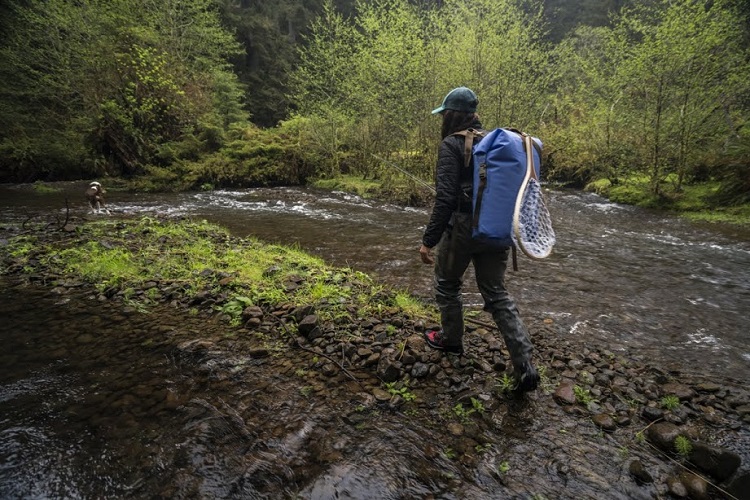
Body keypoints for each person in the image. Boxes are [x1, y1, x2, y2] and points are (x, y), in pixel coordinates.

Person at [419, 86, 539, 392]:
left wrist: (428, 240)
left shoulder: (450, 144)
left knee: (447, 285)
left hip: (461, 229)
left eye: (444, 113)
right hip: (498, 228)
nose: (442, 119)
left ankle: (451, 342)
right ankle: (525, 366)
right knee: (497, 294)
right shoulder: (494, 143)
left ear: (452, 115)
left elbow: (445, 199)